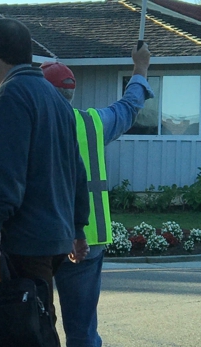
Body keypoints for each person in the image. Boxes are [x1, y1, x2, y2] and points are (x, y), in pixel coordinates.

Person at [0, 17, 91, 331]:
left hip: (24, 237)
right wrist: (78, 228)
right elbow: (76, 171)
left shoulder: (12, 95)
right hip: (55, 233)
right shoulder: (56, 100)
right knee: (37, 317)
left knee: (28, 326)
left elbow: (7, 170)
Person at [41, 44, 153, 347]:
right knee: (82, 331)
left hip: (40, 238)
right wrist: (140, 68)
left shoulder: (32, 124)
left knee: (32, 321)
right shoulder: (92, 123)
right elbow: (129, 107)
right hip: (89, 240)